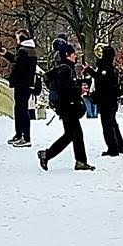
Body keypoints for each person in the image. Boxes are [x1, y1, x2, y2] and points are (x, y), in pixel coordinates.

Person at [38, 42, 95, 171]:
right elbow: (65, 89)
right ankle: (77, 160)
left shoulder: (63, 68)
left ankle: (49, 155)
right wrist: (78, 90)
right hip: (68, 106)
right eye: (74, 54)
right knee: (74, 134)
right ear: (67, 55)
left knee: (72, 134)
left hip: (65, 107)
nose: (76, 56)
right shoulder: (66, 69)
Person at [0, 31, 38, 148]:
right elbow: (18, 62)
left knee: (21, 110)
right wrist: (6, 54)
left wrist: (10, 78)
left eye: (17, 38)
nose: (16, 41)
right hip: (27, 84)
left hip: (22, 84)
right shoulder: (30, 50)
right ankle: (20, 135)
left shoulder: (23, 51)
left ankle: (24, 137)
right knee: (22, 108)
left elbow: (18, 67)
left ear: (21, 39)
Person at [91, 44, 123, 156]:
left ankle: (113, 148)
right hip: (111, 101)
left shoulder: (105, 69)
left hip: (106, 101)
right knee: (113, 124)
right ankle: (120, 147)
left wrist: (95, 96)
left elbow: (103, 85)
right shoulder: (109, 68)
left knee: (107, 125)